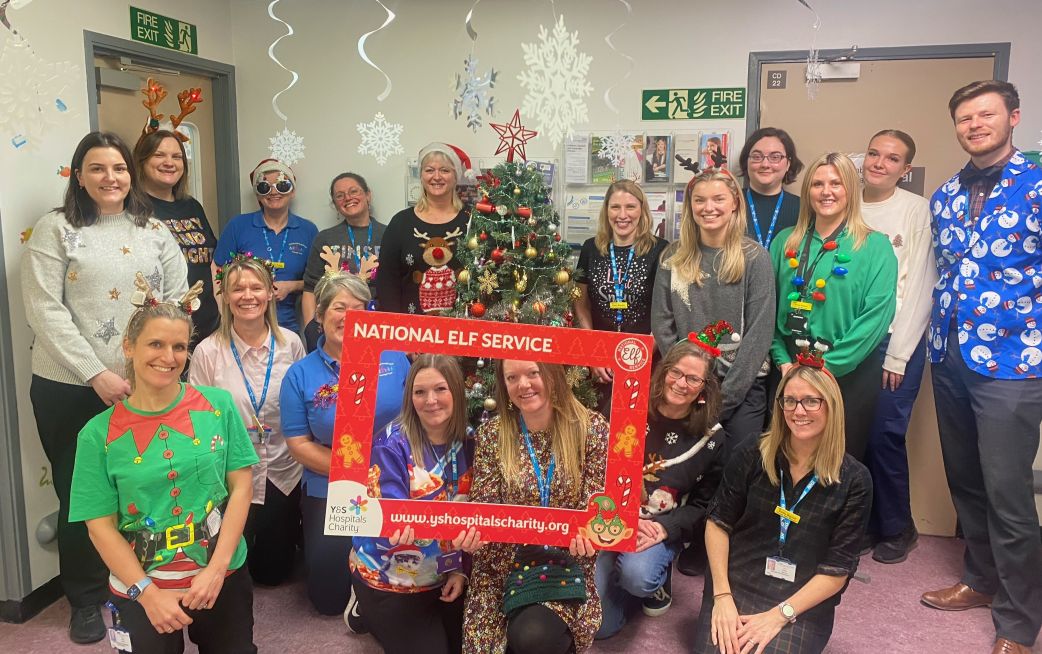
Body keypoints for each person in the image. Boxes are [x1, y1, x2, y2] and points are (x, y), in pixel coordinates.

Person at [21, 131, 188, 644]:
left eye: (118, 168)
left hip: (145, 384)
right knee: (85, 495)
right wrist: (96, 373)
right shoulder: (56, 230)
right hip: (70, 385)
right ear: (79, 175)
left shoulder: (154, 229)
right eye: (97, 168)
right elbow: (45, 308)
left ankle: (146, 582)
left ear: (129, 174)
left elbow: (177, 299)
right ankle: (87, 599)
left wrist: (153, 366)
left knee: (144, 485)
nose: (110, 178)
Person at [68, 281, 259, 653]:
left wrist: (217, 570)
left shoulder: (218, 405)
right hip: (142, 584)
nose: (168, 357)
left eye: (179, 347)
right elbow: (100, 527)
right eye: (156, 344)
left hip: (220, 571)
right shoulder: (97, 435)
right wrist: (147, 593)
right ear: (129, 346)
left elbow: (241, 487)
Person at [919, 80, 1042, 654]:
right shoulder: (944, 195)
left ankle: (1019, 622)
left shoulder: (1038, 184)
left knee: (1008, 492)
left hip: (1014, 365)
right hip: (950, 357)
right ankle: (980, 579)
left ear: (1012, 117)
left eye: (986, 115)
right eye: (965, 118)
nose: (975, 125)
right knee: (966, 483)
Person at [693, 364, 871, 654]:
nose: (798, 411)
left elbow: (837, 569)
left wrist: (780, 615)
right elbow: (717, 523)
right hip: (736, 586)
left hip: (799, 602)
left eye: (811, 401)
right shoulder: (752, 453)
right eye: (790, 400)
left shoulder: (855, 479)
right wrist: (722, 595)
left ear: (831, 406)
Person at [280, 271, 410, 615]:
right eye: (340, 307)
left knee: (404, 576)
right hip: (330, 485)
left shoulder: (395, 358)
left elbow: (416, 418)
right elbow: (297, 444)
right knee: (328, 599)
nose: (350, 315)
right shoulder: (300, 374)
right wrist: (356, 472)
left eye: (359, 306)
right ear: (320, 316)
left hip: (395, 480)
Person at [463, 360, 609, 653]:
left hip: (564, 561)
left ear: (552, 374)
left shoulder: (591, 428)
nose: (523, 385)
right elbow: (484, 504)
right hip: (502, 563)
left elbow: (599, 508)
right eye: (512, 377)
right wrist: (472, 537)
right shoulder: (493, 434)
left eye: (533, 373)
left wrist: (594, 537)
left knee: (532, 637)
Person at [594, 339, 728, 639]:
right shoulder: (627, 403)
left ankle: (654, 577)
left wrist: (666, 529)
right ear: (663, 371)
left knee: (637, 576)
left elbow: (707, 506)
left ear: (704, 388)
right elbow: (595, 463)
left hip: (660, 524)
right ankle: (621, 580)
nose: (681, 384)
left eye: (693, 378)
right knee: (601, 628)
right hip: (612, 516)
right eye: (676, 373)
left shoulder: (713, 439)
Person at [768, 152, 898, 462]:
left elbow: (876, 316)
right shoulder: (785, 242)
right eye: (817, 184)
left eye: (836, 183)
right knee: (787, 458)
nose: (826, 192)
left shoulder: (875, 246)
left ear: (851, 189)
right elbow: (766, 308)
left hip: (846, 371)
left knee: (839, 463)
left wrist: (827, 368)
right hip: (789, 366)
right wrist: (782, 360)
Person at [188, 255, 305, 586]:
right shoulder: (208, 352)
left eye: (256, 287)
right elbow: (198, 420)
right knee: (230, 569)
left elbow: (303, 405)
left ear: (271, 292)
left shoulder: (291, 344)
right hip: (232, 476)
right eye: (237, 289)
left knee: (272, 575)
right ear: (224, 295)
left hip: (283, 470)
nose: (247, 296)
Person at [349, 355, 472, 652]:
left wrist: (461, 570)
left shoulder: (471, 441)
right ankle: (361, 603)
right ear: (410, 396)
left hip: (445, 572)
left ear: (456, 391)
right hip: (391, 575)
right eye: (420, 392)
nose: (431, 400)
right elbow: (381, 518)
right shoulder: (390, 444)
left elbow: (474, 517)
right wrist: (395, 527)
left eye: (441, 389)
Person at [652, 168, 776, 445]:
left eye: (718, 199)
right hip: (684, 385)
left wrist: (724, 399)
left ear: (734, 203)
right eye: (699, 200)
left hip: (742, 385)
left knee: (735, 467)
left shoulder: (755, 258)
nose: (708, 208)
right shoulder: (673, 257)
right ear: (690, 206)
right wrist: (685, 381)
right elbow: (662, 323)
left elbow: (760, 333)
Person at [858, 129, 937, 564]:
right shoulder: (848, 203)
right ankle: (868, 523)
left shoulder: (916, 210)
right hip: (856, 339)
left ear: (906, 170)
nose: (880, 163)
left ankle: (898, 527)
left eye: (892, 159)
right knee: (853, 434)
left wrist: (899, 352)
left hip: (896, 339)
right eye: (874, 153)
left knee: (885, 435)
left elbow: (923, 284)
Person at [574, 179, 668, 413]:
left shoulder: (661, 250)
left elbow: (666, 310)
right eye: (615, 207)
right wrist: (593, 354)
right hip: (600, 361)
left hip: (645, 359)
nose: (622, 215)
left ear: (642, 210)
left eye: (630, 207)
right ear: (606, 211)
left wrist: (641, 358)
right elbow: (581, 303)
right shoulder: (590, 248)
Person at [133, 129, 219, 346]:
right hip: (162, 330)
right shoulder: (134, 209)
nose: (169, 162)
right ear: (142, 161)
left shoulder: (192, 206)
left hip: (207, 325)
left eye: (176, 156)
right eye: (159, 155)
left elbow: (211, 261)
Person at [215, 159, 318, 333]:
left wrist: (292, 286)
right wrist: (224, 315)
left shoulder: (308, 230)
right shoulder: (238, 225)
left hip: (287, 325)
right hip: (242, 323)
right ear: (257, 194)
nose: (273, 192)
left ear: (292, 191)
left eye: (282, 186)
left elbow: (317, 281)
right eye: (264, 187)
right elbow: (217, 271)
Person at [376, 143, 471, 314]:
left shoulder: (471, 221)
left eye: (444, 170)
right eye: (429, 170)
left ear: (456, 176)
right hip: (412, 332)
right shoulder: (400, 223)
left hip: (462, 331)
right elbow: (387, 282)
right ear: (421, 176)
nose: (436, 177)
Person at [301, 172, 387, 350]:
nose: (348, 198)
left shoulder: (389, 234)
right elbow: (310, 288)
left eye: (354, 191)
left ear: (368, 195)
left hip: (378, 327)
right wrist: (312, 328)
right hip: (336, 327)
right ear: (335, 204)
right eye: (340, 196)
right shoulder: (325, 238)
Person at [737, 127, 803, 251]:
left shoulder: (803, 209)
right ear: (747, 162)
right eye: (757, 157)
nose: (765, 164)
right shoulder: (730, 203)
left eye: (775, 157)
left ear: (788, 164)